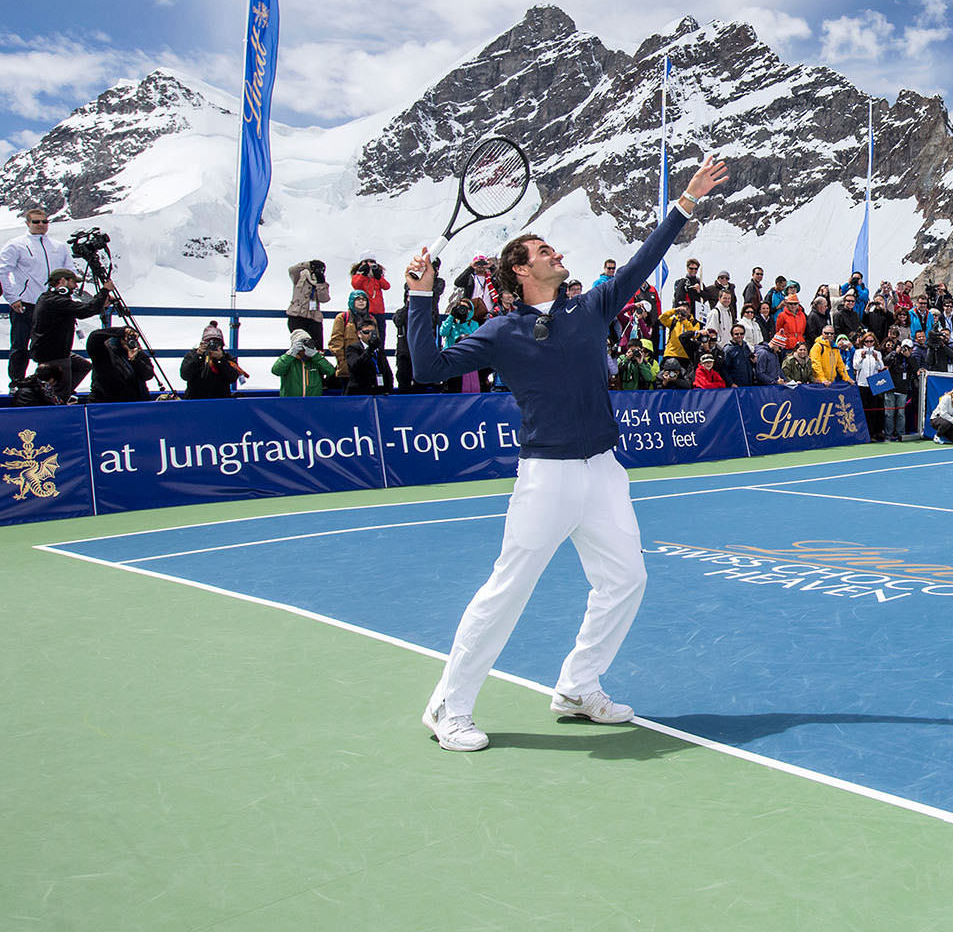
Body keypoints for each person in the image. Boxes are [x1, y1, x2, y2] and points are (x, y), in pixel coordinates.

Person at [404, 153, 728, 753]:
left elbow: (643, 261)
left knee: (626, 578)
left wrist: (685, 202)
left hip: (604, 473)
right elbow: (427, 367)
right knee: (508, 591)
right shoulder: (502, 331)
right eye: (543, 250)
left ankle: (579, 687)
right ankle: (448, 706)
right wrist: (420, 298)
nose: (557, 253)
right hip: (546, 478)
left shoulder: (591, 307)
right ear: (520, 273)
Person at [1, 208, 75, 389]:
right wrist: (13, 297)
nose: (41, 225)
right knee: (20, 346)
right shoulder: (16, 244)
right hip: (27, 303)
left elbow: (70, 272)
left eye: (44, 221)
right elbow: (3, 270)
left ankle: (51, 386)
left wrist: (64, 297)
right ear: (27, 223)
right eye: (36, 222)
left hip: (53, 307)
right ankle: (17, 384)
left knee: (53, 349)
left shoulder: (58, 246)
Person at [29, 269, 109, 397]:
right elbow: (85, 310)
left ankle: (54, 395)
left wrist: (99, 303)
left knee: (83, 366)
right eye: (73, 282)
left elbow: (81, 310)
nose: (75, 286)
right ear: (62, 281)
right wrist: (104, 291)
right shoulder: (56, 301)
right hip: (55, 354)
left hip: (51, 350)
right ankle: (58, 398)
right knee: (61, 391)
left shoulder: (47, 298)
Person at [84, 326, 153, 402]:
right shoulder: (104, 355)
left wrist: (134, 360)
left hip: (135, 404)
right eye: (125, 338)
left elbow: (148, 374)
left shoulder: (138, 354)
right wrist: (121, 331)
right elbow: (94, 338)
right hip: (107, 405)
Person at [180, 327, 246, 398]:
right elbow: (185, 375)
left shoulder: (227, 358)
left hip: (220, 400)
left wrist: (220, 360)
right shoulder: (192, 355)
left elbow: (232, 378)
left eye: (217, 343)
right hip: (195, 399)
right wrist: (199, 356)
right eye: (209, 343)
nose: (212, 346)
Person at [272, 329, 335, 396]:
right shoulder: (289, 361)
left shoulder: (316, 360)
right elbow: (276, 371)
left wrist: (316, 356)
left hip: (313, 403)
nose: (304, 348)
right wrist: (290, 354)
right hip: (290, 403)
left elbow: (330, 371)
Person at [286, 259, 330, 343]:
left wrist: (320, 284)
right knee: (300, 345)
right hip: (297, 315)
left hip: (314, 318)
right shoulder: (300, 277)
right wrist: (308, 264)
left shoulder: (322, 283)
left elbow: (324, 299)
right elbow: (291, 270)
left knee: (316, 346)